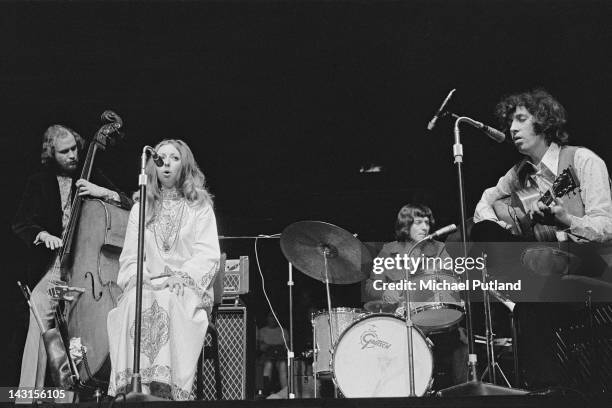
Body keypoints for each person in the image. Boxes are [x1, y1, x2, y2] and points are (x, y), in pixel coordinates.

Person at [471, 89, 612, 389]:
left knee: (530, 296)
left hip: (593, 262)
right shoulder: (517, 175)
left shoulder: (582, 160)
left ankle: (547, 389)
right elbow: (482, 206)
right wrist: (512, 227)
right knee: (484, 232)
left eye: (521, 119)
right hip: (544, 273)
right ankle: (546, 389)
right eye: (510, 121)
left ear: (544, 122)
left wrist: (566, 220)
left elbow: (606, 226)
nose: (511, 128)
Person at [12, 124, 131, 391]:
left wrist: (104, 192)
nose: (73, 155)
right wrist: (43, 235)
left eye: (75, 148)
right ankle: (28, 392)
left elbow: (129, 203)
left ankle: (87, 387)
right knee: (40, 313)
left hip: (87, 266)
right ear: (51, 154)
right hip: (56, 267)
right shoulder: (38, 182)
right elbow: (21, 223)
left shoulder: (91, 175)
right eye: (64, 152)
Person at [106, 139, 220, 400]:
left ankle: (164, 388)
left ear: (185, 165)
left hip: (185, 286)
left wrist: (181, 277)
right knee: (133, 302)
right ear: (152, 165)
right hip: (149, 284)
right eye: (161, 158)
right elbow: (131, 257)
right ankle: (136, 389)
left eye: (174, 158)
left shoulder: (199, 207)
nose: (166, 163)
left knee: (168, 299)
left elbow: (207, 253)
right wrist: (141, 279)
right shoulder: (140, 208)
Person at [364, 204, 468, 389]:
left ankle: (459, 396)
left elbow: (453, 281)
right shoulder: (389, 250)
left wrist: (453, 292)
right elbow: (370, 286)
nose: (424, 228)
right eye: (418, 223)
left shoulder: (439, 249)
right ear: (406, 225)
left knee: (462, 345)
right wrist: (384, 292)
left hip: (438, 321)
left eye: (427, 223)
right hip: (403, 323)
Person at [257, 311, 289, 396]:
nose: (273, 319)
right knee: (268, 364)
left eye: (275, 317)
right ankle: (265, 392)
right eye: (271, 316)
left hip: (280, 356)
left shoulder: (283, 331)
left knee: (282, 365)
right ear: (267, 318)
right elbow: (260, 347)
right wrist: (268, 347)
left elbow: (287, 348)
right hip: (266, 356)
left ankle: (285, 392)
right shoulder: (262, 331)